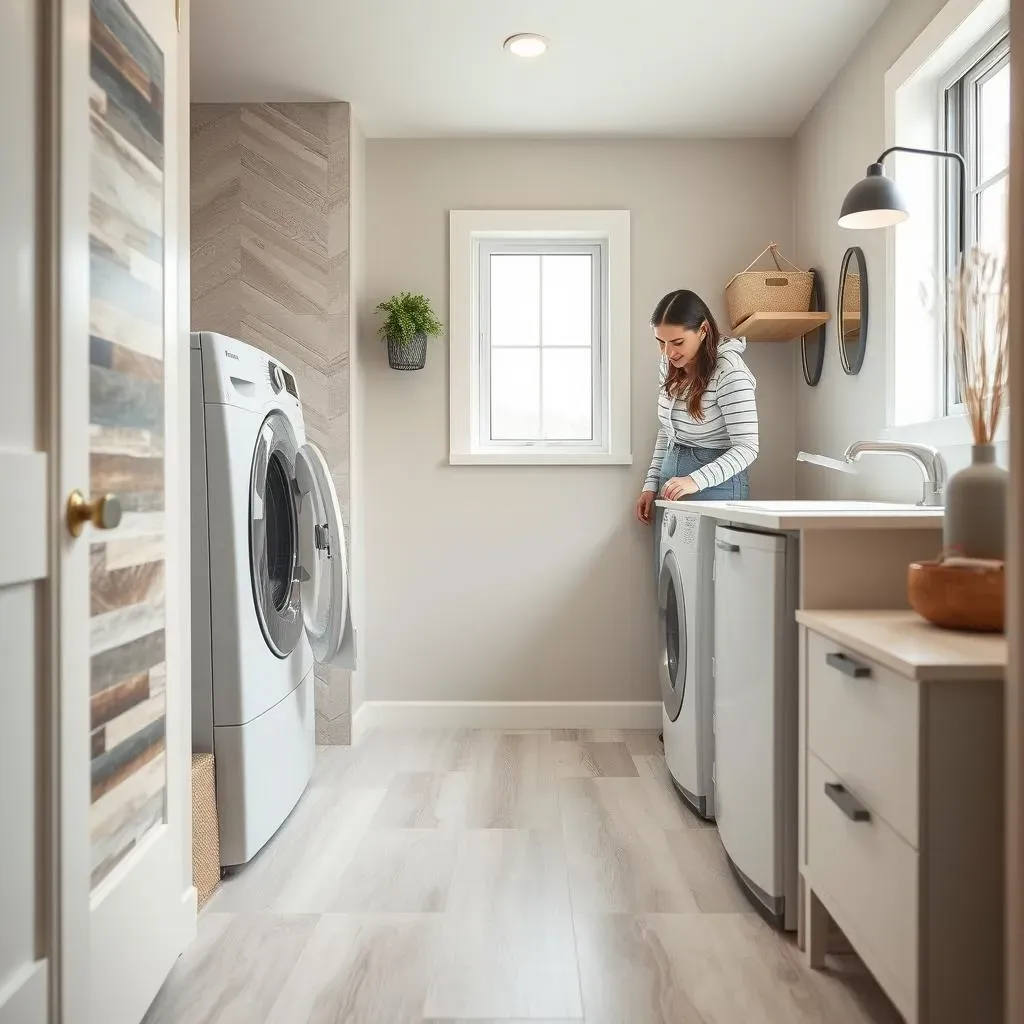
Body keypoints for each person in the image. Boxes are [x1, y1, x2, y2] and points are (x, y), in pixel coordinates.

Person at [634, 289, 759, 537]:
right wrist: (651, 483)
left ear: (703, 330)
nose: (668, 353)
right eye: (661, 342)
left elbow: (748, 447)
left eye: (677, 342)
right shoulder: (671, 363)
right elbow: (667, 429)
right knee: (672, 571)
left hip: (717, 485)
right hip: (672, 480)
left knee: (708, 574)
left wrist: (695, 480)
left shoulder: (730, 373)